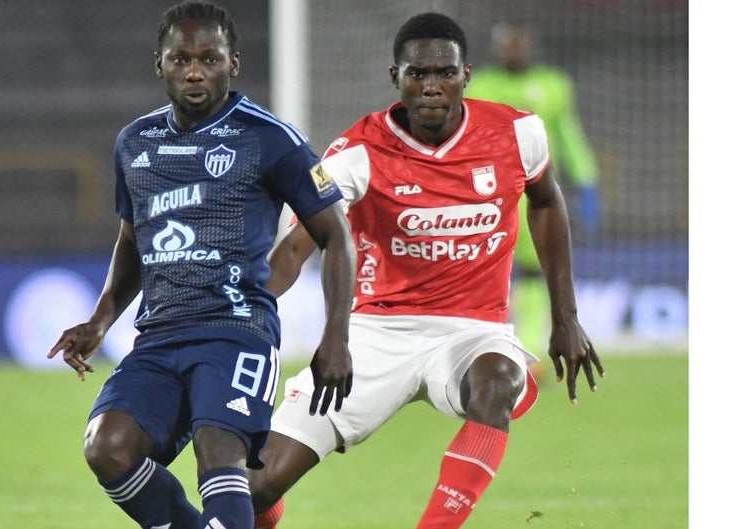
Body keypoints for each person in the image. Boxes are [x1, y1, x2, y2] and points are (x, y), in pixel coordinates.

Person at [249, 12, 605, 529]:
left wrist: (566, 317)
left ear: (466, 76)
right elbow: (295, 249)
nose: (432, 86)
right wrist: (242, 315)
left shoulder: (518, 133)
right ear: (396, 77)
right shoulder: (357, 152)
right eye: (418, 74)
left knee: (499, 379)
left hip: (471, 332)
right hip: (374, 331)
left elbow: (546, 202)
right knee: (254, 487)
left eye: (445, 73)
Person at [47, 3, 356, 529]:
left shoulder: (270, 139)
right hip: (160, 335)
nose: (194, 71)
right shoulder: (135, 143)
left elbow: (337, 237)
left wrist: (335, 337)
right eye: (181, 59)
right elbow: (133, 239)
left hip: (237, 330)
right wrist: (100, 320)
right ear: (159, 64)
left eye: (209, 59)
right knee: (108, 447)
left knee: (219, 454)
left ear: (232, 63)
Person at [467, 22, 603, 379]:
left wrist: (587, 179)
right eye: (508, 45)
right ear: (499, 49)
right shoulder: (481, 86)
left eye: (520, 44)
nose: (515, 50)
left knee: (534, 270)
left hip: (535, 193)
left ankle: (528, 351)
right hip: (486, 193)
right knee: (480, 270)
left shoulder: (554, 85)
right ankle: (477, 347)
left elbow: (568, 135)